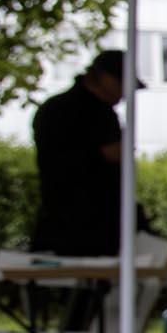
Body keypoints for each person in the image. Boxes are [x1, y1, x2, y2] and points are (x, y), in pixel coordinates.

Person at [30, 50, 131, 255]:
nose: (124, 94)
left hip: (57, 219)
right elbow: (113, 153)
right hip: (93, 224)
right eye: (122, 85)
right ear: (106, 79)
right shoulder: (99, 113)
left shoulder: (53, 108)